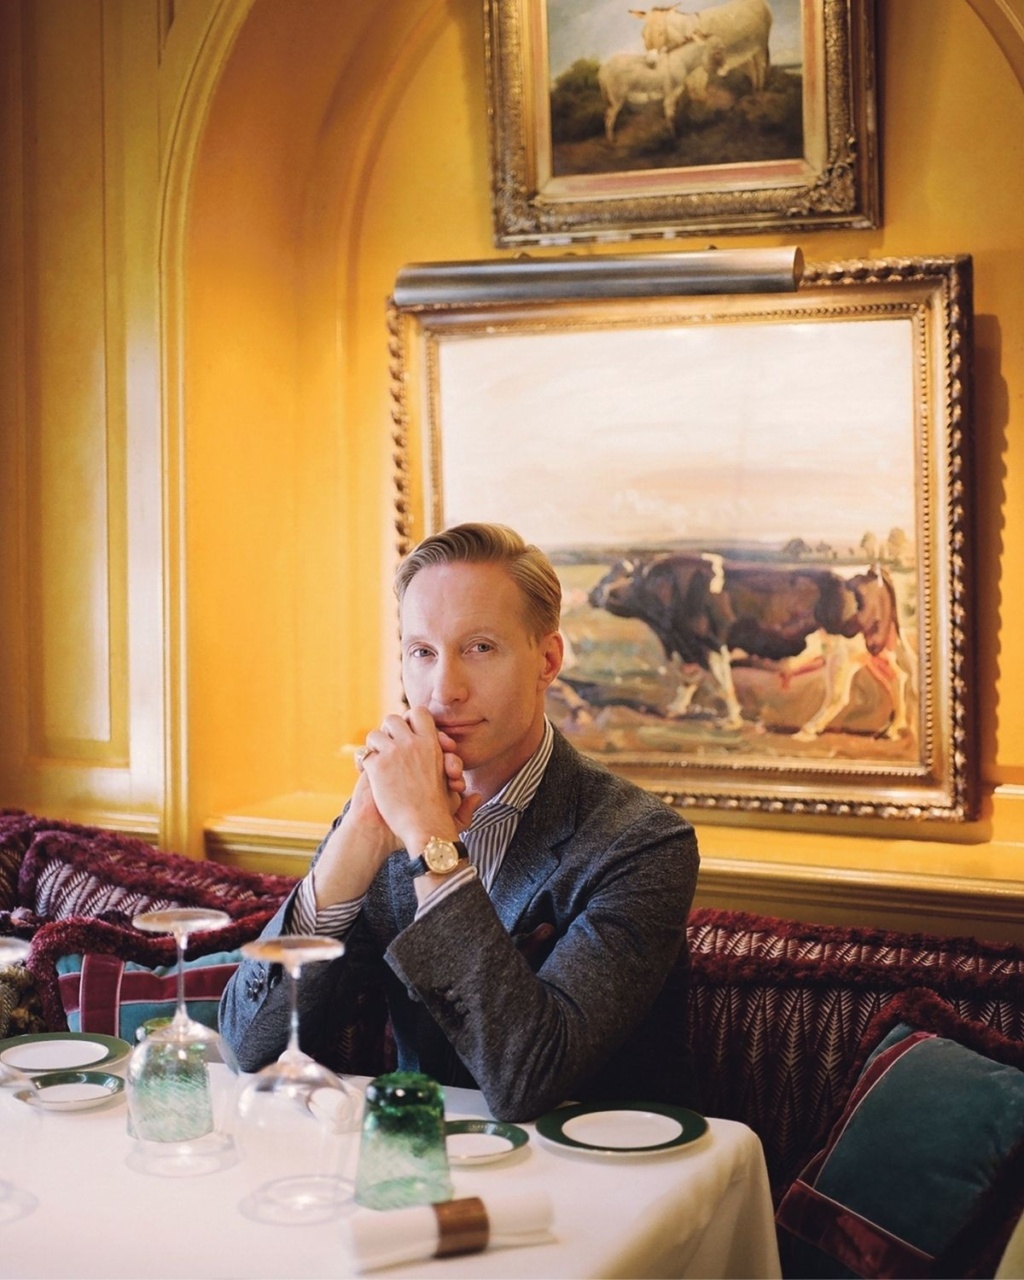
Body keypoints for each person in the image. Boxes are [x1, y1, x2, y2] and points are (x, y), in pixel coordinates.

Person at [220, 522, 700, 1121]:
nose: (444, 690)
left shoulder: (643, 842)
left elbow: (527, 1079)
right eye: (422, 653)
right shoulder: (390, 806)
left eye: (479, 648)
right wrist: (362, 834)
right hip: (427, 1162)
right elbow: (248, 1044)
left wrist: (430, 841)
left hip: (601, 1178)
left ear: (547, 659)